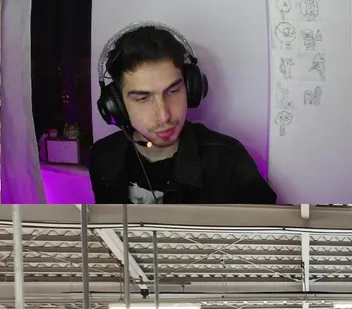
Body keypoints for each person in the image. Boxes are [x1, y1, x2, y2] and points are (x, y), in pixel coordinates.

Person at [90, 24, 277, 204]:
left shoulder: (227, 158)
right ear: (117, 105)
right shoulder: (103, 156)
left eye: (173, 91)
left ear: (191, 88)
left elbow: (268, 224)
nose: (164, 116)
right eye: (143, 98)